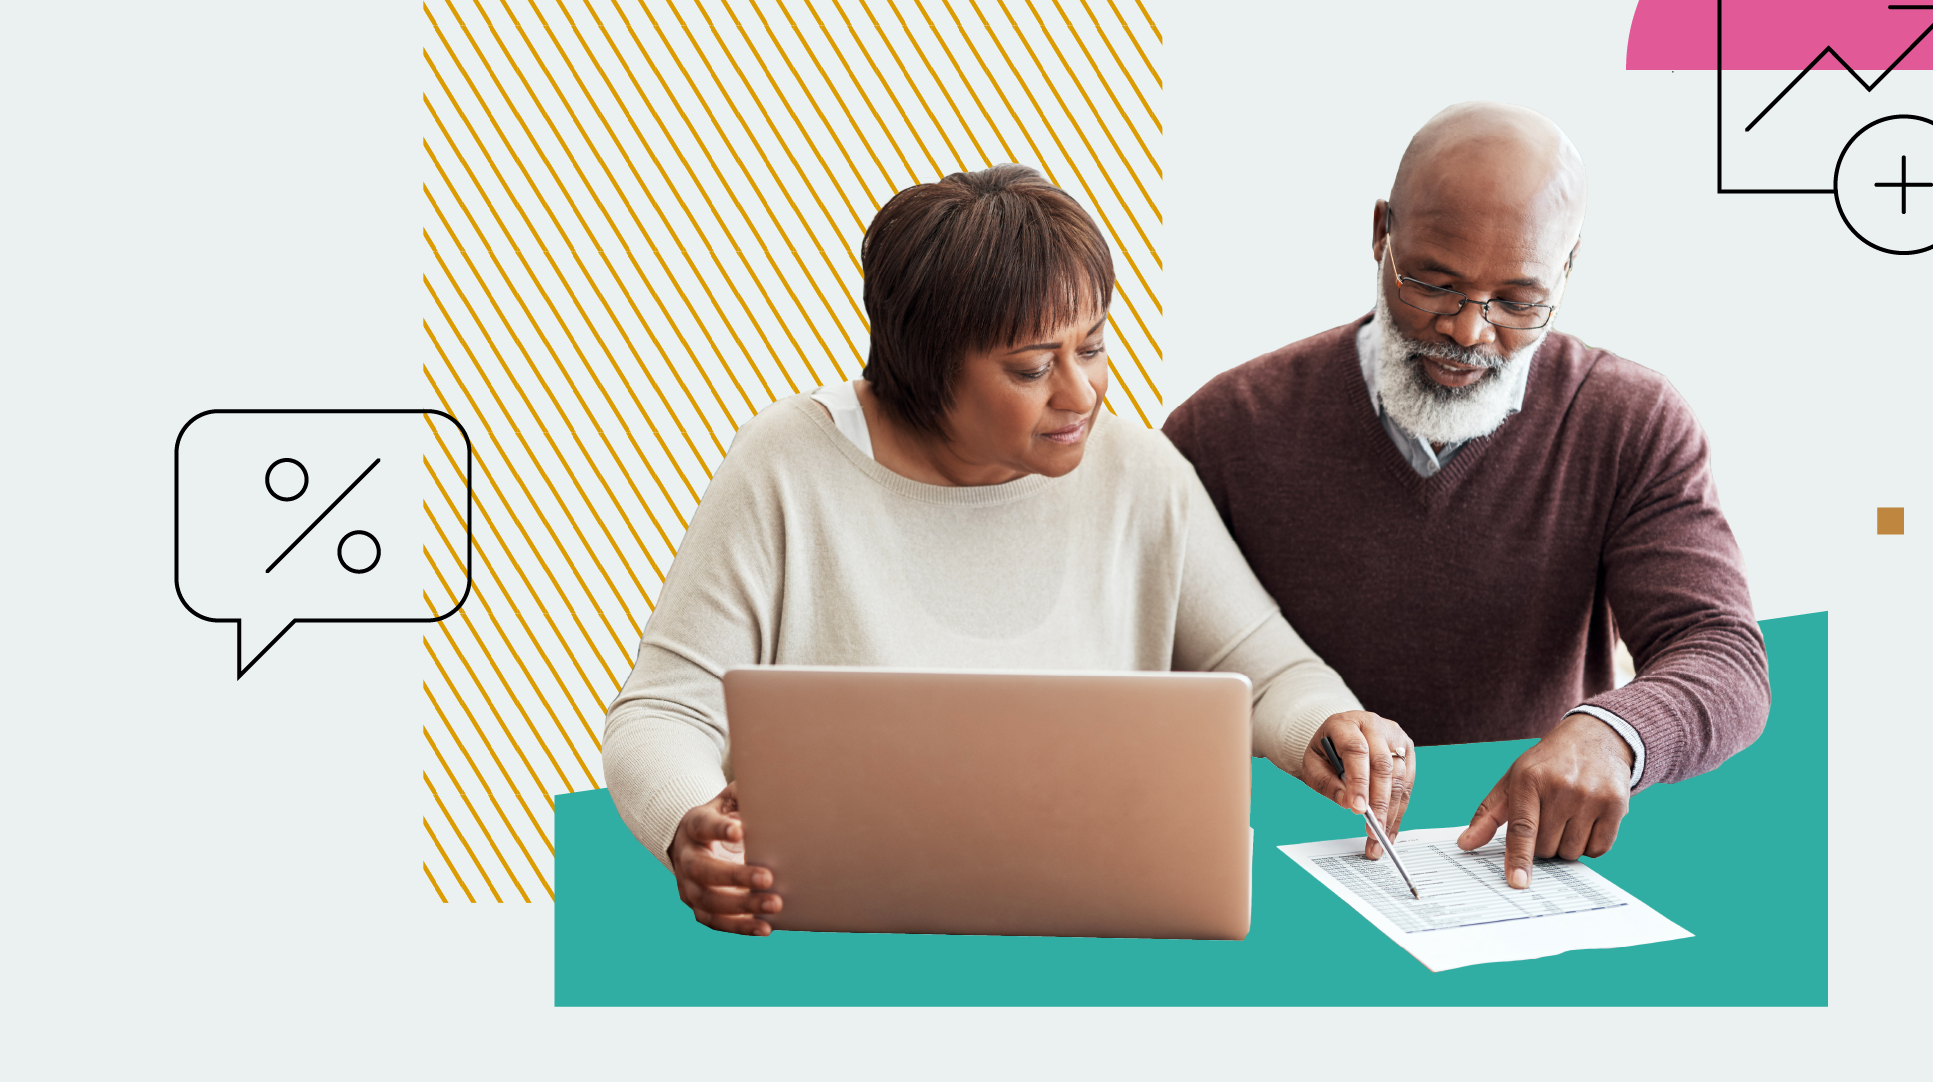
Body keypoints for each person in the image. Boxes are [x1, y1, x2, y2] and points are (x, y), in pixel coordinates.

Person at [604, 164, 1413, 936]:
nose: (1081, 392)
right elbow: (662, 711)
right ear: (922, 369)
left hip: (1098, 923)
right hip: (827, 929)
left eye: (1092, 347)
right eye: (1031, 367)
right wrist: (690, 824)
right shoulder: (784, 465)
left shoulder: (1139, 472)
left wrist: (1325, 722)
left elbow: (1268, 668)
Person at [1162, 102, 1770, 892]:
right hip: (1275, 861)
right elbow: (1146, 667)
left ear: (1566, 270)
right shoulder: (1227, 427)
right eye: (1434, 283)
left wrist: (1613, 732)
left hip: (1516, 868)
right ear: (1380, 233)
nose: (1468, 331)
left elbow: (1723, 652)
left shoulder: (1628, 421)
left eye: (1517, 301)